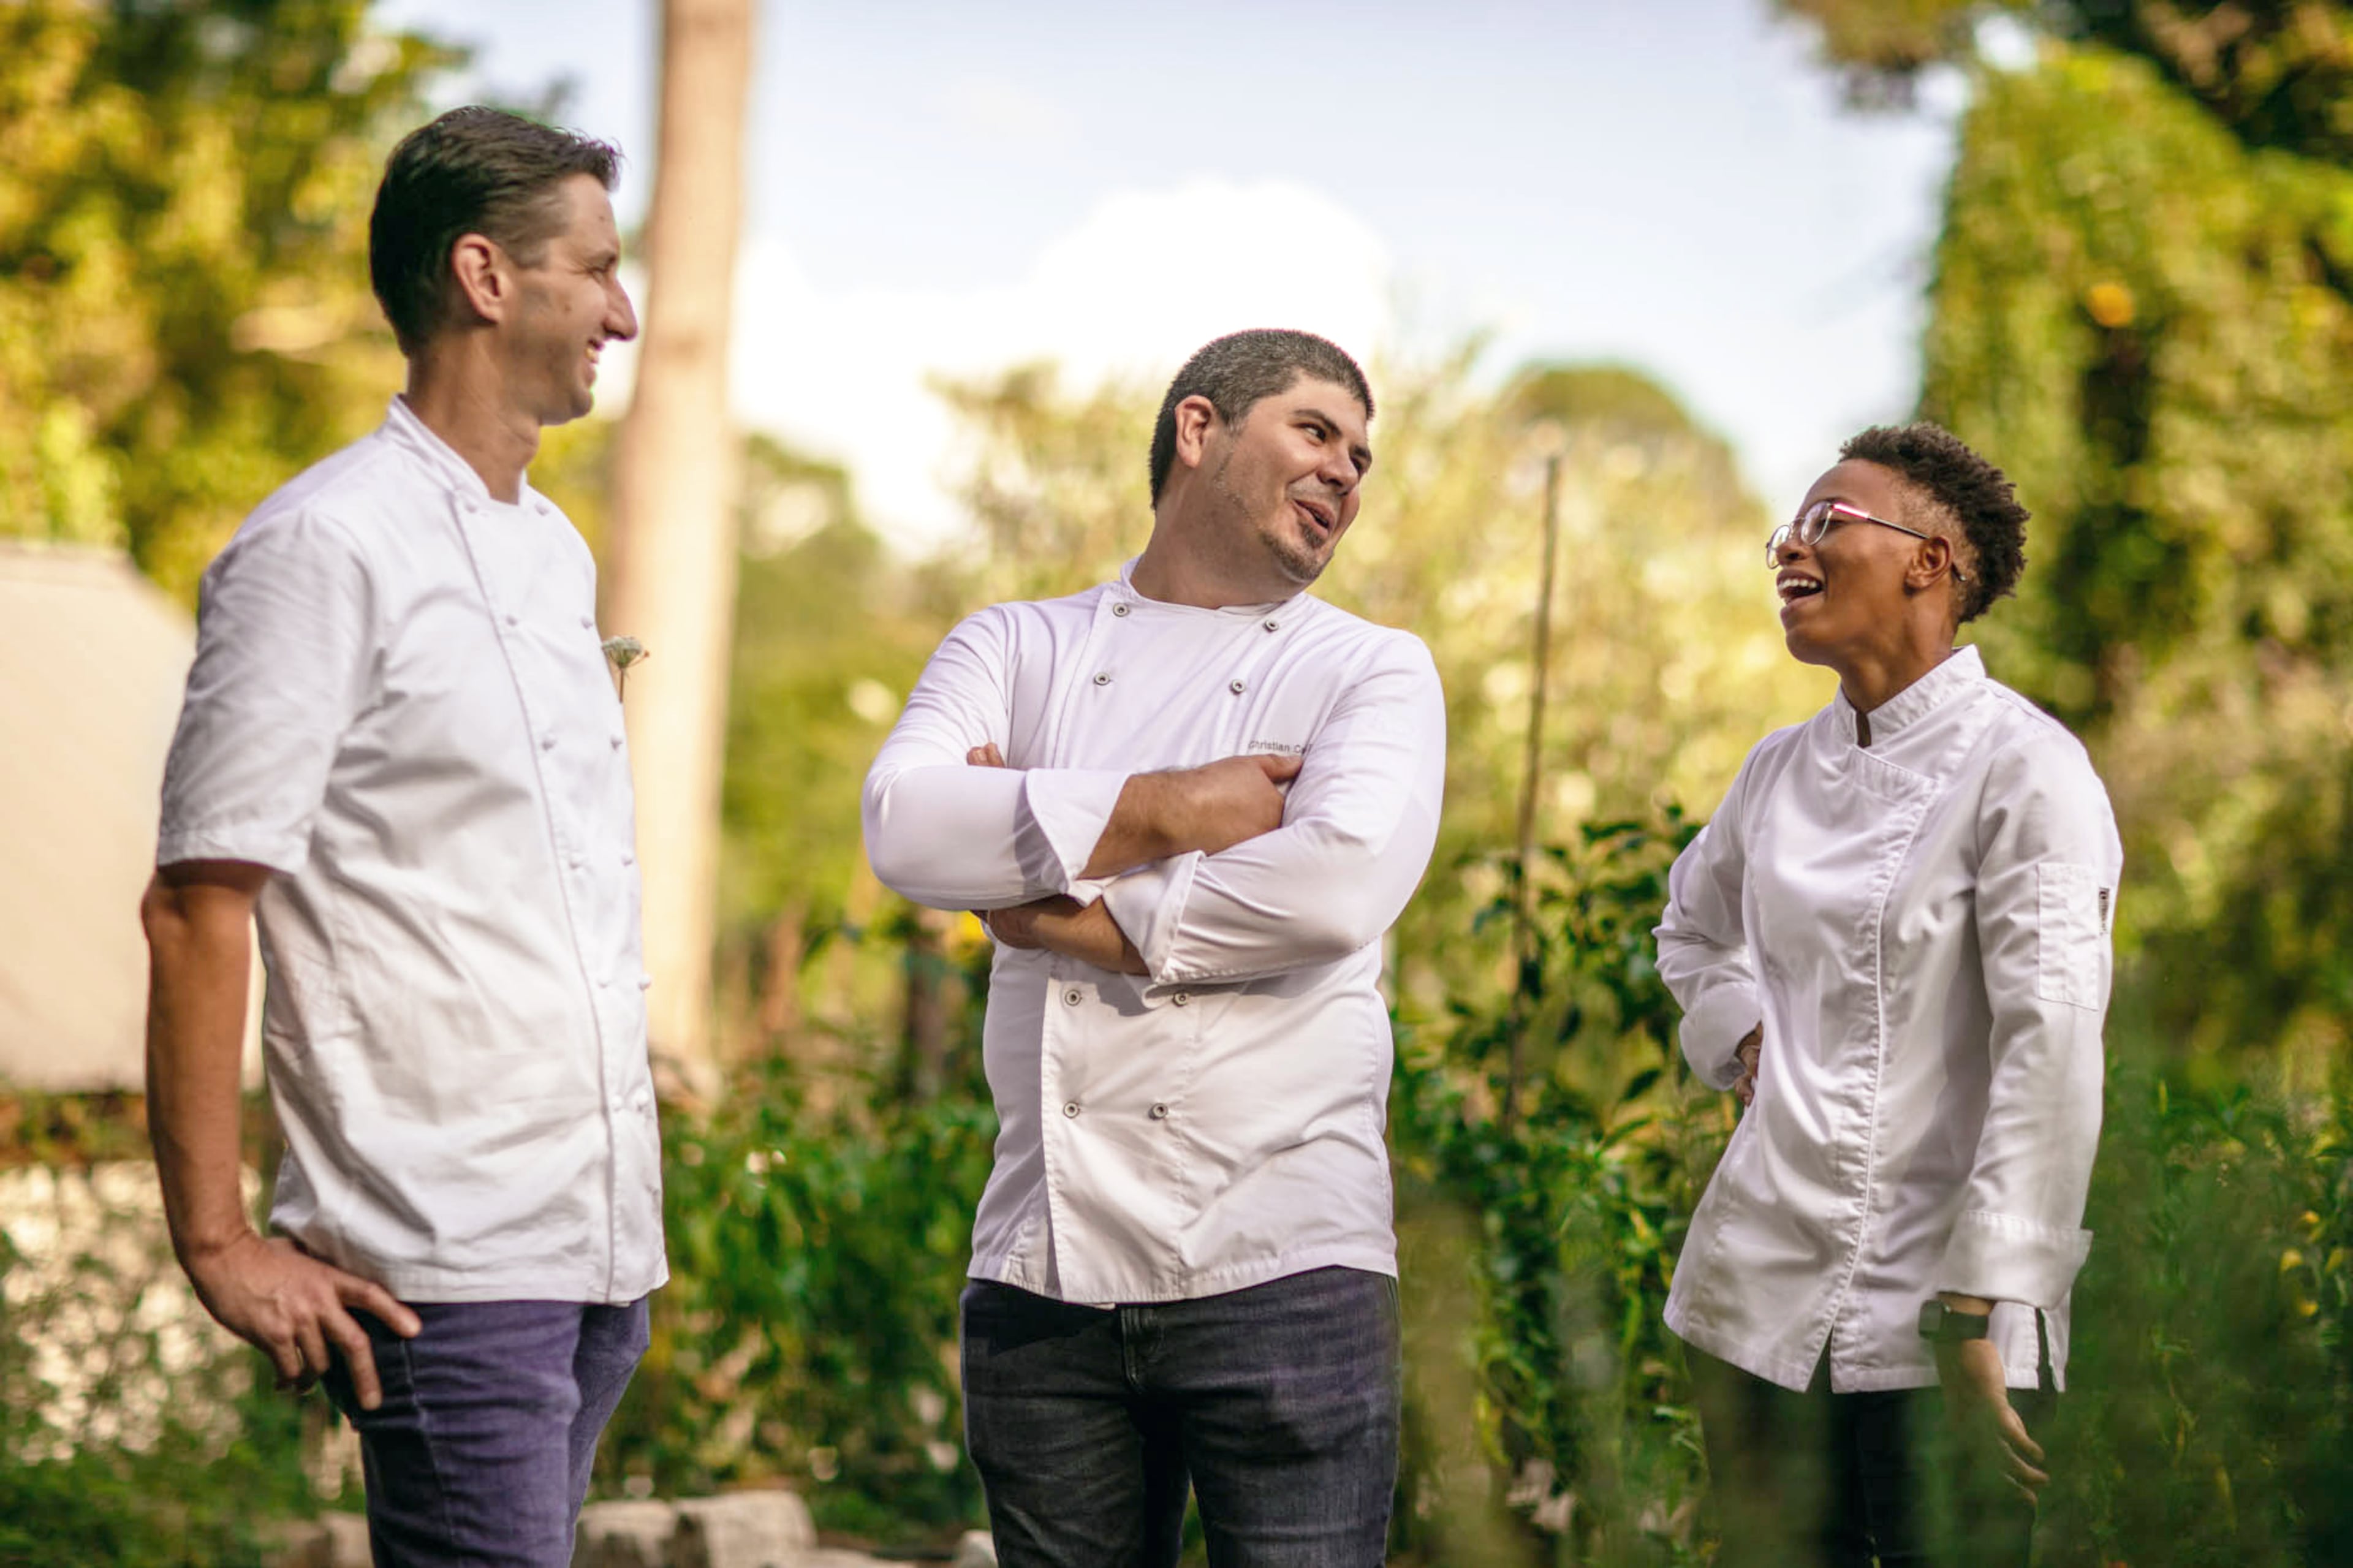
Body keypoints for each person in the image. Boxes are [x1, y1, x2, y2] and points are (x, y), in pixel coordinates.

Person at [142, 107, 657, 1567]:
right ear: (486, 277)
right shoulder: (323, 547)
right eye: (598, 270)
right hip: (442, 1250)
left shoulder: (554, 550)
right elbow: (197, 900)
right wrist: (221, 1240)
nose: (623, 311)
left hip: (602, 1245)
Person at [862, 328, 1444, 1567]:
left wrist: (1047, 898)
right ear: (1198, 429)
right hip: (1041, 1271)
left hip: (1287, 1258)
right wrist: (1180, 807)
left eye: (1364, 454)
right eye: (1317, 430)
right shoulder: (1017, 645)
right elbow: (907, 825)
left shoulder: (1372, 670)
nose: (1349, 469)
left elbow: (1332, 887)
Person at [1653, 422, 2122, 1566]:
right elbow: (1691, 928)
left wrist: (1985, 1305)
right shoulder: (1774, 768)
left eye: (1829, 520)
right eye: (1787, 530)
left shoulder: (2028, 771)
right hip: (1759, 1310)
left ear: (1930, 562)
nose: (1788, 549)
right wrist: (1745, 1033)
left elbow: (2049, 1049)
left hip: (1946, 1326)